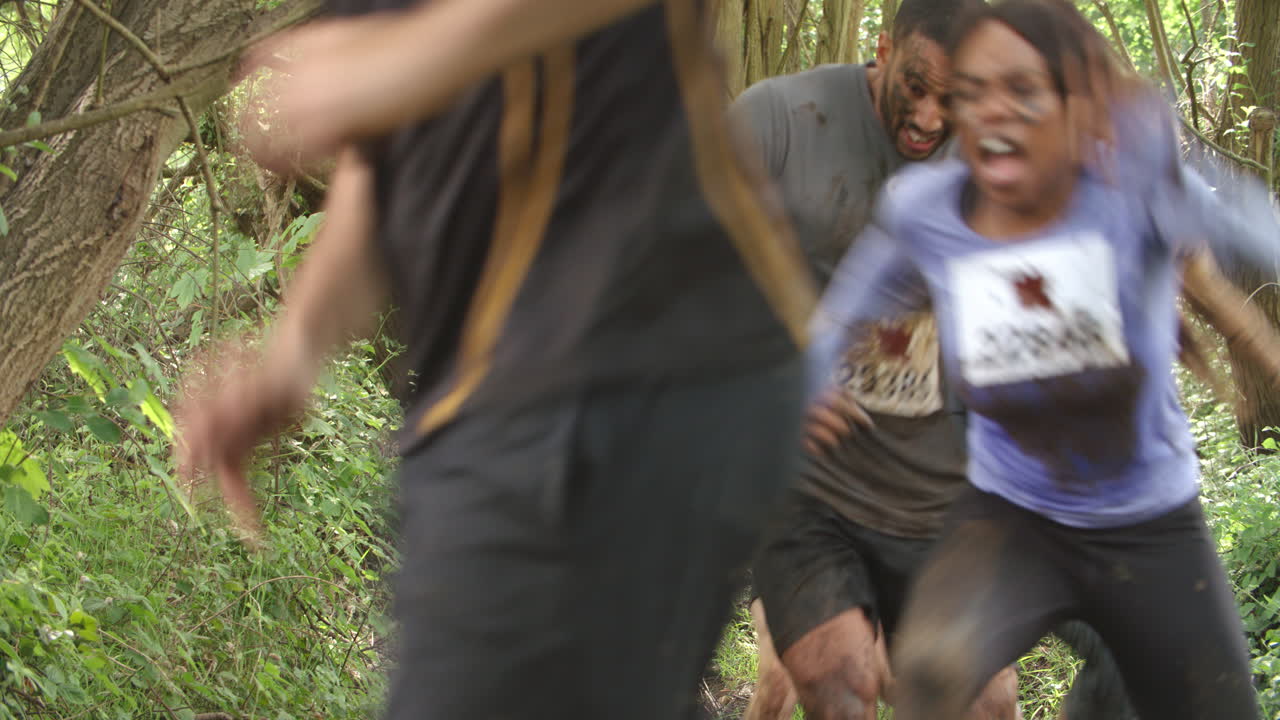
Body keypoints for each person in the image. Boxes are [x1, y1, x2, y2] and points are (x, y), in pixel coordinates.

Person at [175, 1, 819, 718]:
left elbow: (400, 73)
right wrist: (293, 353)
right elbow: (380, 159)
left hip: (644, 352)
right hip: (498, 401)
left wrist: (395, 65)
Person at [808, 1, 1280, 718]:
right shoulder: (929, 213)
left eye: (1023, 91)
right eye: (974, 92)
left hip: (1150, 526)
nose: (994, 113)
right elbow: (844, 314)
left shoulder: (1133, 188)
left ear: (1074, 104)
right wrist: (808, 385)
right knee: (931, 674)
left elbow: (1253, 228)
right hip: (1011, 518)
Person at [731, 1, 1131, 717]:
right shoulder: (778, 122)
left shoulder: (999, 157)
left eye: (953, 99)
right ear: (883, 49)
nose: (927, 118)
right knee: (833, 679)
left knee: (986, 702)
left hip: (934, 494)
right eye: (914, 87)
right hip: (808, 483)